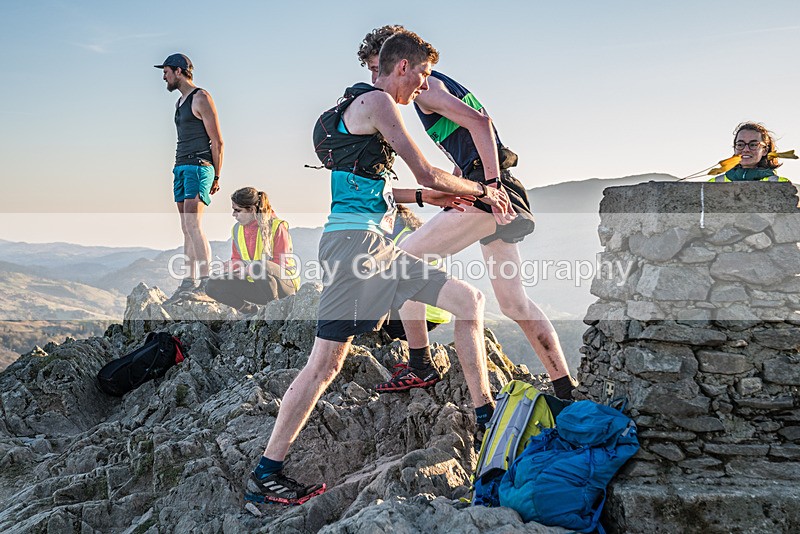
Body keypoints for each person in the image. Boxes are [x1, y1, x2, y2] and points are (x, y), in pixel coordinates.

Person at [244, 31, 513, 506]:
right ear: (403, 66)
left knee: (465, 302)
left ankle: (483, 415)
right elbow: (425, 170)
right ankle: (266, 473)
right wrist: (481, 191)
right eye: (423, 75)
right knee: (324, 365)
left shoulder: (359, 110)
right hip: (357, 250)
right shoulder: (379, 102)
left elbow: (382, 189)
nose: (424, 87)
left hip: (364, 248)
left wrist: (430, 197)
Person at [357, 25, 578, 400]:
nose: (375, 80)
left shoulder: (428, 88)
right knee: (514, 303)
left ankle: (420, 365)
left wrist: (490, 186)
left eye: (377, 68)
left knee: (404, 261)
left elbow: (481, 123)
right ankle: (564, 388)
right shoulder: (438, 84)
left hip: (491, 191)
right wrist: (461, 184)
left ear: (398, 60)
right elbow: (468, 143)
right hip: (496, 189)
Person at [155, 53, 224, 300]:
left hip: (198, 165)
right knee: (186, 227)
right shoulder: (179, 103)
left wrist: (216, 176)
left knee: (194, 225)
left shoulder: (201, 97)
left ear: (179, 71)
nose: (164, 77)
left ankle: (206, 283)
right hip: (181, 166)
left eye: (166, 72)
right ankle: (188, 282)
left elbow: (217, 141)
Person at [205, 187, 299, 314]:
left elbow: (281, 264)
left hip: (283, 286)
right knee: (212, 284)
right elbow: (237, 258)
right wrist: (232, 267)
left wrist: (248, 270)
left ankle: (275, 311)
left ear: (252, 210)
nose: (233, 214)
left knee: (257, 267)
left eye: (238, 210)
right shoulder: (237, 230)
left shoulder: (277, 226)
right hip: (257, 286)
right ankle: (250, 311)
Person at [709, 122, 791, 182]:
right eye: (740, 144)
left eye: (753, 145)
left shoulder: (781, 184)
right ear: (734, 148)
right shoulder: (714, 184)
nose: (746, 149)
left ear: (765, 150)